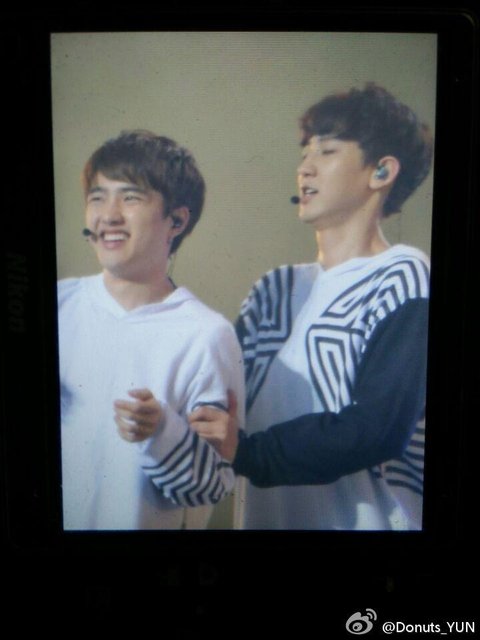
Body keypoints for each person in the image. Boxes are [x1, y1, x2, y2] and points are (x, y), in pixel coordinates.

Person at [189, 83, 433, 530]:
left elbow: (377, 428)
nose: (305, 167)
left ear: (382, 171)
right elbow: (219, 404)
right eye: (305, 153)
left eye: (327, 151)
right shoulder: (273, 288)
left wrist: (249, 453)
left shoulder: (403, 274)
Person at [58, 130, 245, 530]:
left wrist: (162, 430)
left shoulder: (207, 335)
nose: (108, 215)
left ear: (176, 220)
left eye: (130, 198)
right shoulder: (60, 304)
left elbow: (212, 487)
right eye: (97, 197)